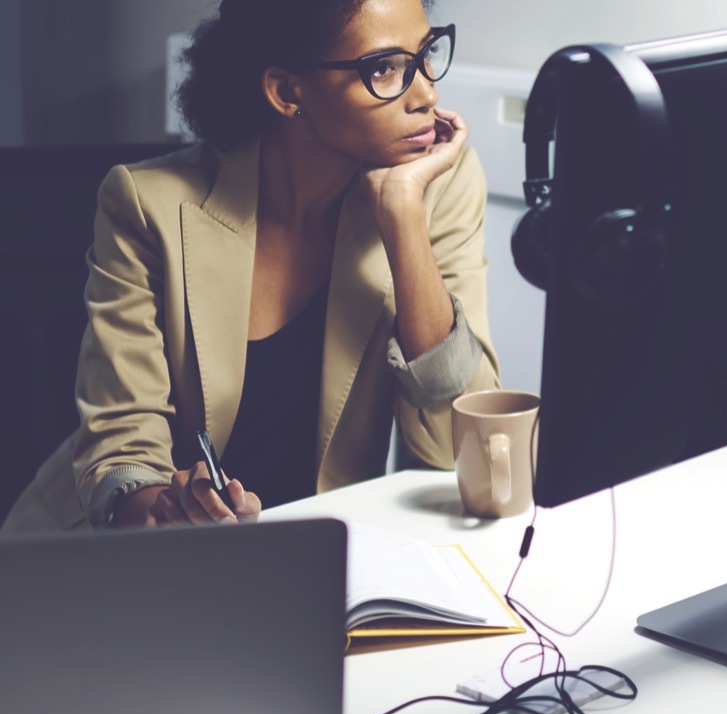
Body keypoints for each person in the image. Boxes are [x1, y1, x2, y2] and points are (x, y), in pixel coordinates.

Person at [2, 0, 501, 534]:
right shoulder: (146, 206)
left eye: (426, 55)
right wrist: (171, 511)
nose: (427, 93)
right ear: (288, 92)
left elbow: (462, 447)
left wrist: (402, 217)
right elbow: (121, 449)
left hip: (306, 559)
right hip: (105, 560)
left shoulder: (435, 186)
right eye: (384, 68)